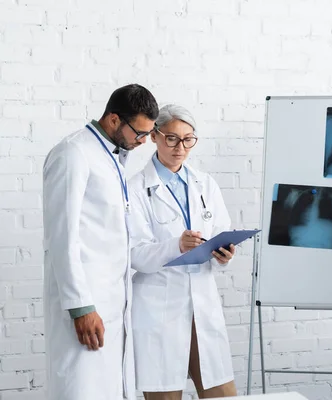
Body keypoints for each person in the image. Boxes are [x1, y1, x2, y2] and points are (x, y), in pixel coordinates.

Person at [42, 84, 159, 400]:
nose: (143, 141)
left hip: (112, 302)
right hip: (85, 304)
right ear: (113, 119)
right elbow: (61, 235)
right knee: (80, 388)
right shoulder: (73, 154)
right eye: (139, 133)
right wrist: (81, 306)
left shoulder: (112, 158)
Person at [128, 104, 237, 399]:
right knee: (165, 395)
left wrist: (223, 254)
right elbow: (135, 253)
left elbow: (220, 233)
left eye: (189, 139)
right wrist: (175, 245)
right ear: (154, 136)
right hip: (160, 306)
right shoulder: (135, 188)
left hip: (202, 302)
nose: (181, 147)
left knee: (222, 393)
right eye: (172, 139)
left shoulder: (205, 183)